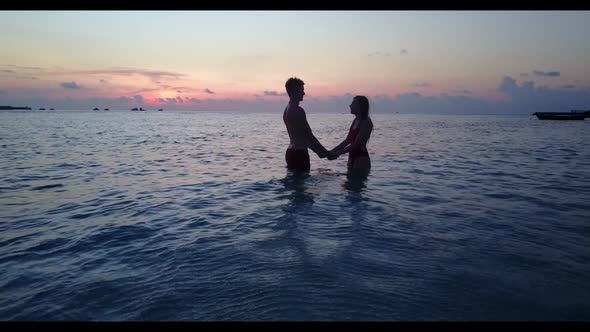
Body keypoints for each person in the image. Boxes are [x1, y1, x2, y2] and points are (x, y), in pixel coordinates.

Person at [283, 77, 336, 173]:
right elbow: (309, 136)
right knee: (301, 186)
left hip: (290, 152)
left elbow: (301, 136)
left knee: (294, 185)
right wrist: (325, 153)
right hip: (300, 154)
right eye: (302, 90)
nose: (304, 93)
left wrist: (321, 152)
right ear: (295, 91)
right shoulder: (298, 110)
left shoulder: (286, 110)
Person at [330, 95, 373, 174]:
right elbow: (347, 140)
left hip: (361, 158)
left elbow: (356, 144)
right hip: (352, 157)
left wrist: (337, 153)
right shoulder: (356, 120)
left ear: (359, 106)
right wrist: (331, 151)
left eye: (353, 103)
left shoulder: (366, 122)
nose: (350, 105)